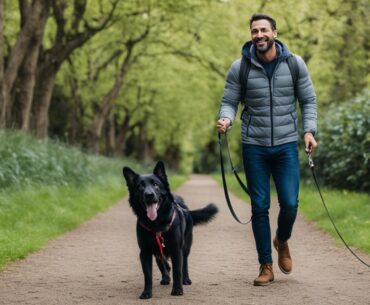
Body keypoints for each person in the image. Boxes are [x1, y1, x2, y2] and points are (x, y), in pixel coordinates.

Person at [217, 13, 317, 286]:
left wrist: (309, 131)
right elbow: (229, 100)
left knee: (291, 204)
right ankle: (266, 265)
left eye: (263, 30)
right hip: (254, 146)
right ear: (251, 35)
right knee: (259, 207)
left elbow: (308, 100)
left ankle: (281, 239)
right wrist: (226, 118)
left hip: (285, 144)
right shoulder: (240, 67)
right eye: (254, 31)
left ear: (274, 33)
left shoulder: (295, 64)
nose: (258, 35)